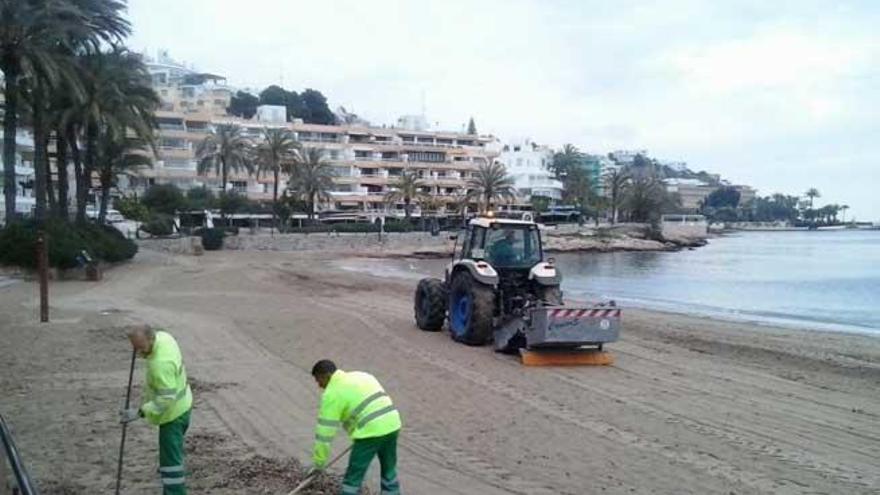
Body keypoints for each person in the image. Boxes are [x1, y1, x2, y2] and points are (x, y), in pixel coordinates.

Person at [119, 325, 193, 494]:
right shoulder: (164, 337)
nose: (139, 352)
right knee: (171, 459)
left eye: (141, 347)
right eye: (135, 347)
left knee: (171, 467)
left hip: (173, 416)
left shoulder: (160, 364)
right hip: (185, 405)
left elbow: (165, 400)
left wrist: (139, 412)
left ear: (151, 339)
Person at [311, 360, 401, 495]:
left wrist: (319, 464)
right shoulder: (361, 375)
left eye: (319, 380)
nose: (319, 385)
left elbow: (324, 434)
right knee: (389, 469)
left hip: (370, 433)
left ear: (327, 375)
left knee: (354, 476)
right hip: (392, 424)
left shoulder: (332, 394)